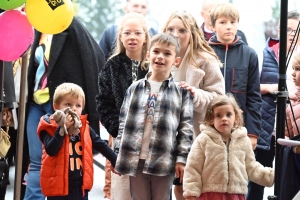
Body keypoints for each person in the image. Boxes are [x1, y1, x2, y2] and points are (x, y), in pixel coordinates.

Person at [24, 17, 104, 200]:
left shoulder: (71, 26)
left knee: (63, 162)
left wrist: (82, 105)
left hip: (62, 105)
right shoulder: (38, 27)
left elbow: (94, 57)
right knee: (36, 162)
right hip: (37, 102)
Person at [114, 33, 194, 200]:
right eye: (156, 52)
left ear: (176, 61)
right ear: (148, 55)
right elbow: (122, 124)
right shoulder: (134, 89)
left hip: (164, 160)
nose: (160, 57)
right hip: (135, 160)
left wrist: (181, 160)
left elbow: (186, 129)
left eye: (167, 53)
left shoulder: (182, 93)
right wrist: (118, 155)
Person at [162, 11, 225, 200]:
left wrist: (194, 94)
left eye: (182, 30)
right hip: (166, 138)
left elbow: (219, 100)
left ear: (192, 33)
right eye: (170, 29)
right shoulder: (159, 57)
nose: (175, 34)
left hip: (195, 136)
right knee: (176, 188)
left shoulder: (205, 60)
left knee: (191, 190)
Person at [96, 12, 151, 200]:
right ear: (120, 36)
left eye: (137, 33)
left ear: (145, 37)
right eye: (127, 33)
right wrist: (117, 129)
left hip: (151, 139)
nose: (132, 37)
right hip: (121, 138)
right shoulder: (112, 66)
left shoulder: (154, 66)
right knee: (122, 189)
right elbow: (103, 102)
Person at [247, 11, 300, 200]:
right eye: (288, 29)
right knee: (257, 179)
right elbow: (251, 87)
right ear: (280, 30)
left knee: (290, 180)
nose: (292, 34)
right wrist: (274, 88)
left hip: (293, 128)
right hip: (267, 125)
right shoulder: (266, 54)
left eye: (296, 30)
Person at [183, 94, 274, 200]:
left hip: (236, 195)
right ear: (211, 119)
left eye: (228, 114)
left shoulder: (243, 141)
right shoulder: (203, 140)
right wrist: (191, 193)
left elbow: (252, 167)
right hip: (210, 195)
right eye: (218, 115)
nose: (224, 119)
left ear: (236, 117)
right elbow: (193, 168)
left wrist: (271, 176)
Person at [36, 82, 117, 199]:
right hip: (58, 188)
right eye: (68, 104)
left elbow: (101, 145)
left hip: (79, 186)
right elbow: (51, 150)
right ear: (56, 107)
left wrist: (116, 161)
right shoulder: (49, 126)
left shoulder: (84, 128)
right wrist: (62, 129)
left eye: (78, 105)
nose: (73, 108)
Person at [208, 2, 262, 151]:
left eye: (233, 22)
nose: (229, 26)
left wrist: (253, 134)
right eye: (223, 22)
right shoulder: (205, 52)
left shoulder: (249, 54)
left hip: (239, 127)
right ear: (213, 26)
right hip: (209, 126)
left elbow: (254, 96)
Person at [286, 51, 300, 138]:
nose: (293, 73)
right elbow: (286, 134)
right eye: (293, 68)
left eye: (298, 69)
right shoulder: (291, 99)